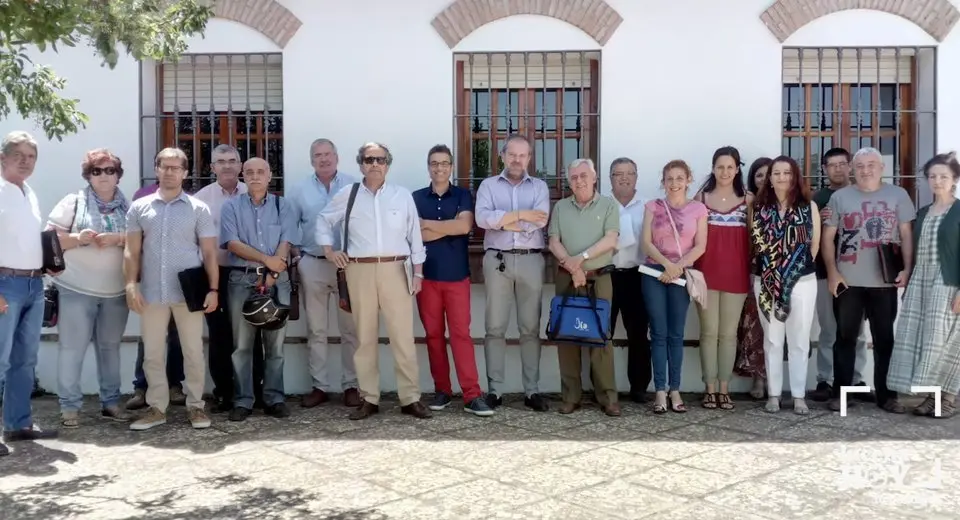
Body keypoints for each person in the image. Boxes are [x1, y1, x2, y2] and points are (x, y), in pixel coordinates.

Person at [316, 142, 431, 421]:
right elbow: (323, 220)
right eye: (369, 159)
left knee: (402, 337)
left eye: (380, 159)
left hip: (396, 269)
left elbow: (415, 236)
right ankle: (369, 398)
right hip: (360, 271)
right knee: (364, 338)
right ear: (360, 165)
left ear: (387, 164)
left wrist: (418, 273)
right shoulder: (348, 194)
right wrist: (329, 251)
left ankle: (410, 398)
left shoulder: (401, 196)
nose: (375, 164)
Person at [124, 147, 219, 431]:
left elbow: (210, 253)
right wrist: (131, 284)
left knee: (193, 351)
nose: (169, 172)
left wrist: (213, 289)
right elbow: (131, 251)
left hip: (188, 293)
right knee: (153, 352)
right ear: (157, 169)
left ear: (185, 172)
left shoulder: (198, 209)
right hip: (152, 292)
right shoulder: (139, 208)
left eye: (175, 167)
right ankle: (156, 408)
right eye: (164, 166)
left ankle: (196, 407)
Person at [822, 147, 916, 414]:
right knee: (845, 338)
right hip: (847, 281)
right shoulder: (840, 197)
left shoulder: (898, 195)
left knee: (884, 339)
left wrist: (907, 269)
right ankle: (841, 394)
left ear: (882, 168)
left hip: (884, 282)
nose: (866, 170)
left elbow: (906, 234)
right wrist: (832, 271)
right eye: (860, 165)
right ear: (853, 169)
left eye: (871, 164)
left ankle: (887, 396)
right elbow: (828, 237)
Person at [46, 148, 132, 427]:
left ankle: (111, 402)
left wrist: (118, 238)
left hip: (115, 291)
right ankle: (69, 407)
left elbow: (139, 241)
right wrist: (78, 238)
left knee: (110, 348)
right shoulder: (73, 201)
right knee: (72, 348)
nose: (104, 176)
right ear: (88, 175)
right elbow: (50, 238)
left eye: (109, 170)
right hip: (76, 289)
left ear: (118, 175)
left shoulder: (127, 206)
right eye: (97, 171)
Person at [413, 145, 492, 416]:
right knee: (433, 336)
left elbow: (464, 227)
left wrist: (428, 225)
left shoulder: (462, 194)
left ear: (451, 167)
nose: (439, 168)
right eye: (434, 163)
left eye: (444, 163)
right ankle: (442, 391)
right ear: (428, 167)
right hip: (426, 278)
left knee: (461, 336)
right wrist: (445, 228)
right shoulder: (415, 197)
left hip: (457, 277)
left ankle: (472, 395)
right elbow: (415, 236)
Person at [474, 134, 550, 412]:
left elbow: (540, 221)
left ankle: (532, 391)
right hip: (497, 261)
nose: (517, 160)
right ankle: (495, 390)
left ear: (529, 158)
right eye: (512, 155)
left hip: (531, 261)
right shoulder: (488, 185)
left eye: (523, 155)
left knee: (530, 328)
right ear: (502, 156)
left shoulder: (540, 186)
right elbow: (483, 219)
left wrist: (503, 220)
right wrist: (520, 215)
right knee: (494, 328)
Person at [221, 157, 299, 421]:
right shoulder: (231, 207)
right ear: (243, 176)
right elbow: (232, 243)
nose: (255, 176)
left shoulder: (283, 205)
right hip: (241, 281)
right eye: (250, 172)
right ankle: (243, 400)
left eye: (260, 172)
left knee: (275, 346)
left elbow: (286, 241)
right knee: (242, 346)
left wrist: (273, 273)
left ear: (269, 176)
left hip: (278, 283)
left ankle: (274, 398)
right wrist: (267, 262)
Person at [288, 138, 362, 409]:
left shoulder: (356, 185)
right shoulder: (299, 190)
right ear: (311, 160)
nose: (324, 159)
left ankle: (351, 385)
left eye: (328, 154)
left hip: (347, 266)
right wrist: (297, 256)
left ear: (337, 157)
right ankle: (319, 386)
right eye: (318, 155)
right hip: (313, 264)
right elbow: (290, 226)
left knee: (350, 330)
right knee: (316, 329)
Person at [0, 131, 59, 456]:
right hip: (4, 284)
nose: (25, 162)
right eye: (19, 155)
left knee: (25, 360)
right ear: (2, 157)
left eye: (31, 156)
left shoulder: (29, 192)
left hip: (34, 285)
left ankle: (18, 424)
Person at [888, 152, 960, 418]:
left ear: (954, 180)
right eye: (933, 176)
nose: (938, 181)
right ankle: (932, 398)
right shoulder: (924, 212)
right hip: (922, 281)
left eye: (944, 176)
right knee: (927, 340)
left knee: (950, 341)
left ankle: (948, 399)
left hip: (948, 282)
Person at [547, 158, 621, 416]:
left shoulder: (609, 205)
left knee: (601, 337)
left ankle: (608, 398)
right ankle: (570, 397)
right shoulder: (560, 208)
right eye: (574, 177)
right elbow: (553, 241)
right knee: (566, 335)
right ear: (569, 181)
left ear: (594, 177)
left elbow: (611, 239)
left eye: (583, 175)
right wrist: (573, 267)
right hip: (567, 277)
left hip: (599, 278)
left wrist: (582, 260)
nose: (579, 180)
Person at [751, 156, 820, 414]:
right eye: (776, 173)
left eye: (786, 173)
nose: (781, 177)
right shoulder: (759, 208)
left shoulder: (808, 206)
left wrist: (791, 270)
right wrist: (776, 272)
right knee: (773, 339)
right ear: (769, 178)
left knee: (800, 339)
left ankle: (799, 395)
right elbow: (757, 244)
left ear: (795, 176)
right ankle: (774, 394)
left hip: (802, 280)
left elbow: (813, 245)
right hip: (767, 281)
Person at [640, 160, 708, 414]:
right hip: (653, 272)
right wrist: (666, 265)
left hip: (681, 272)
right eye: (669, 178)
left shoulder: (699, 209)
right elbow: (645, 243)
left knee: (676, 334)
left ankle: (675, 389)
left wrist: (677, 266)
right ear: (663, 181)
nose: (674, 183)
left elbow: (701, 245)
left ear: (688, 179)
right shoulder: (653, 207)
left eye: (680, 178)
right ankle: (659, 390)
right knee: (658, 333)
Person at [693, 146, 751, 411]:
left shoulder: (749, 200)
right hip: (705, 274)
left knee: (728, 334)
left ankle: (724, 388)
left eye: (730, 167)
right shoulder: (700, 198)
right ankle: (710, 388)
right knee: (708, 332)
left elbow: (755, 239)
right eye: (720, 167)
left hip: (737, 274)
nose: (725, 172)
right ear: (713, 168)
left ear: (737, 169)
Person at [810, 148, 870, 402]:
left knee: (857, 331)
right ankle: (825, 380)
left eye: (842, 164)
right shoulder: (817, 199)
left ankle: (856, 380)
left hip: (859, 274)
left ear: (850, 166)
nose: (837, 169)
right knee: (829, 329)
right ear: (824, 169)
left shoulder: (864, 194)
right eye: (831, 165)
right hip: (825, 273)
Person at [192, 144, 248, 413]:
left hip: (247, 274)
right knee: (219, 335)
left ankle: (249, 390)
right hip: (214, 275)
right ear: (212, 167)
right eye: (220, 161)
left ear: (240, 166)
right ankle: (224, 392)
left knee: (248, 335)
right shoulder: (201, 199)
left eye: (232, 161)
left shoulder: (252, 193)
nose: (227, 165)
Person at [608, 157, 651, 403]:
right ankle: (603, 387)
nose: (624, 178)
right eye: (618, 174)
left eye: (629, 173)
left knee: (638, 334)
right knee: (604, 333)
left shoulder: (648, 206)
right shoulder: (602, 205)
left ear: (636, 176)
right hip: (608, 275)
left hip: (638, 276)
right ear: (610, 178)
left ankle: (639, 388)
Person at [735, 157, 771, 399]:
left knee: (777, 330)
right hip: (753, 271)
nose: (765, 179)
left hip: (783, 273)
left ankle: (775, 382)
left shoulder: (789, 202)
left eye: (769, 174)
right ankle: (758, 379)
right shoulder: (749, 203)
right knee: (754, 326)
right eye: (759, 175)